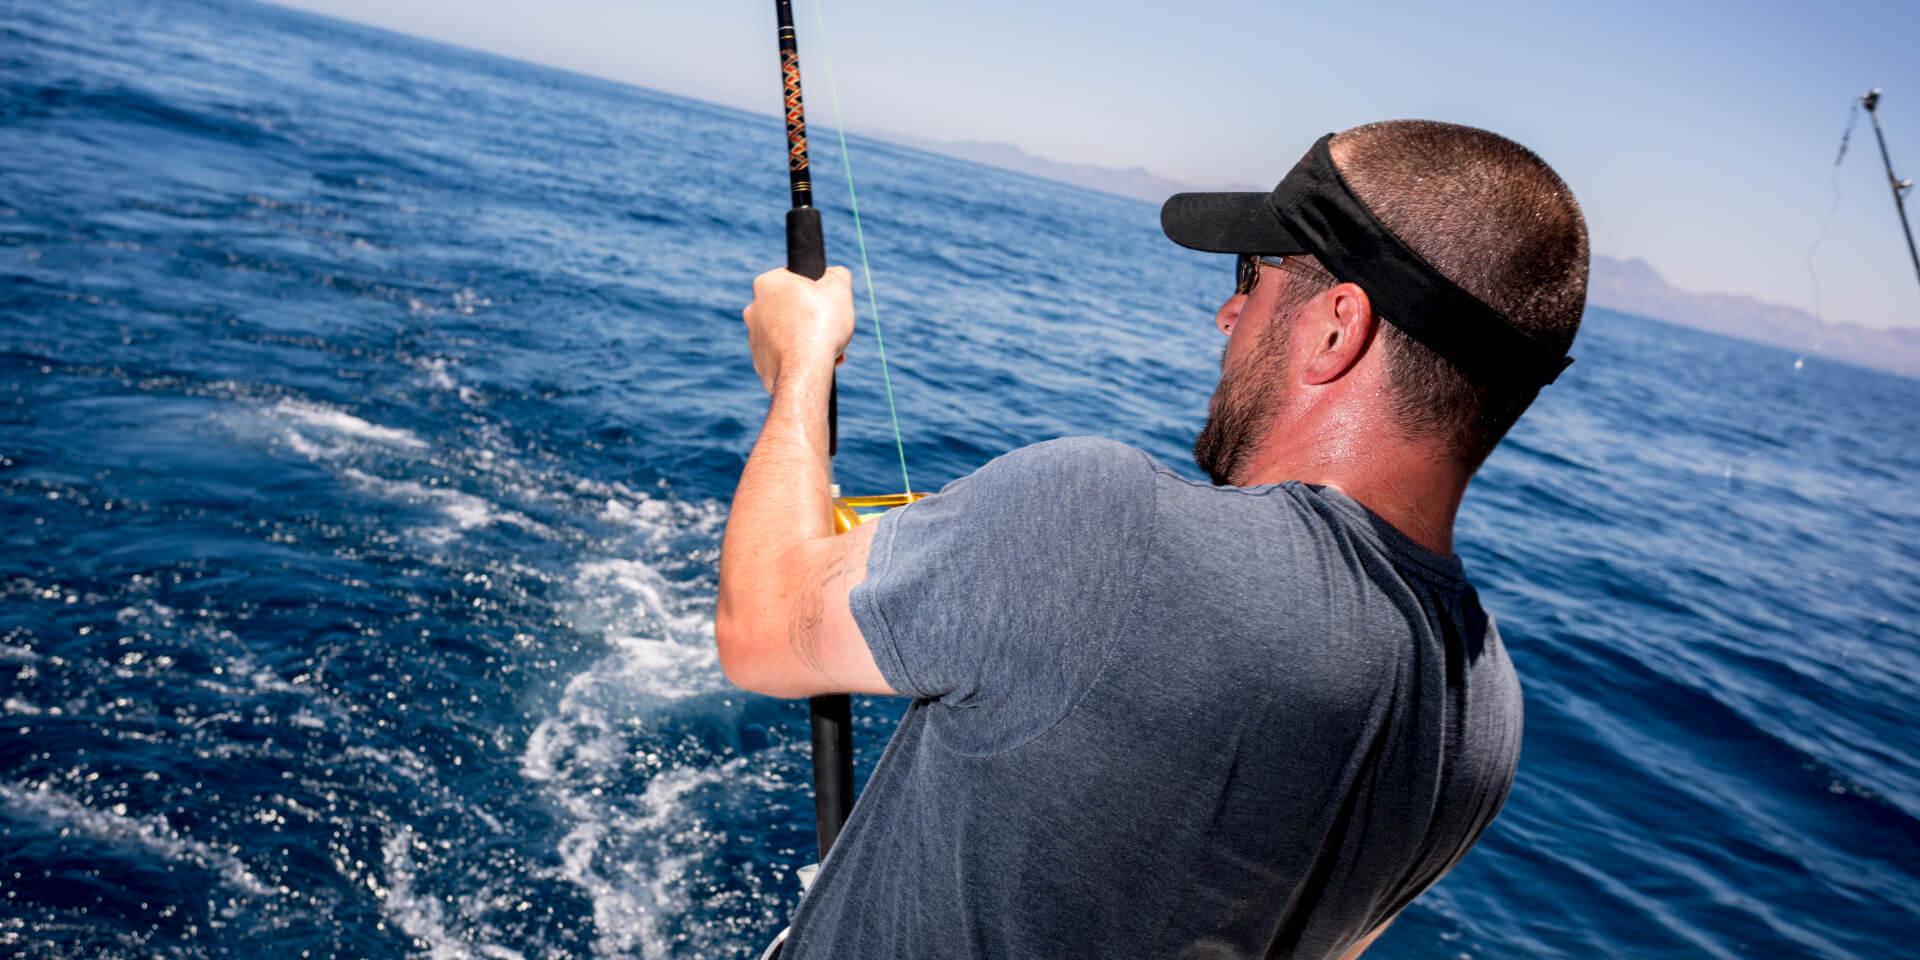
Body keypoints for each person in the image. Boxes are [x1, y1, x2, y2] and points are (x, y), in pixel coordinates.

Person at [716, 119, 1589, 959]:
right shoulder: (1483, 727)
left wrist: (800, 367)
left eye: (1256, 274)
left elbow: (759, 631)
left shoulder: (1109, 522)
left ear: (1336, 327)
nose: (1227, 312)